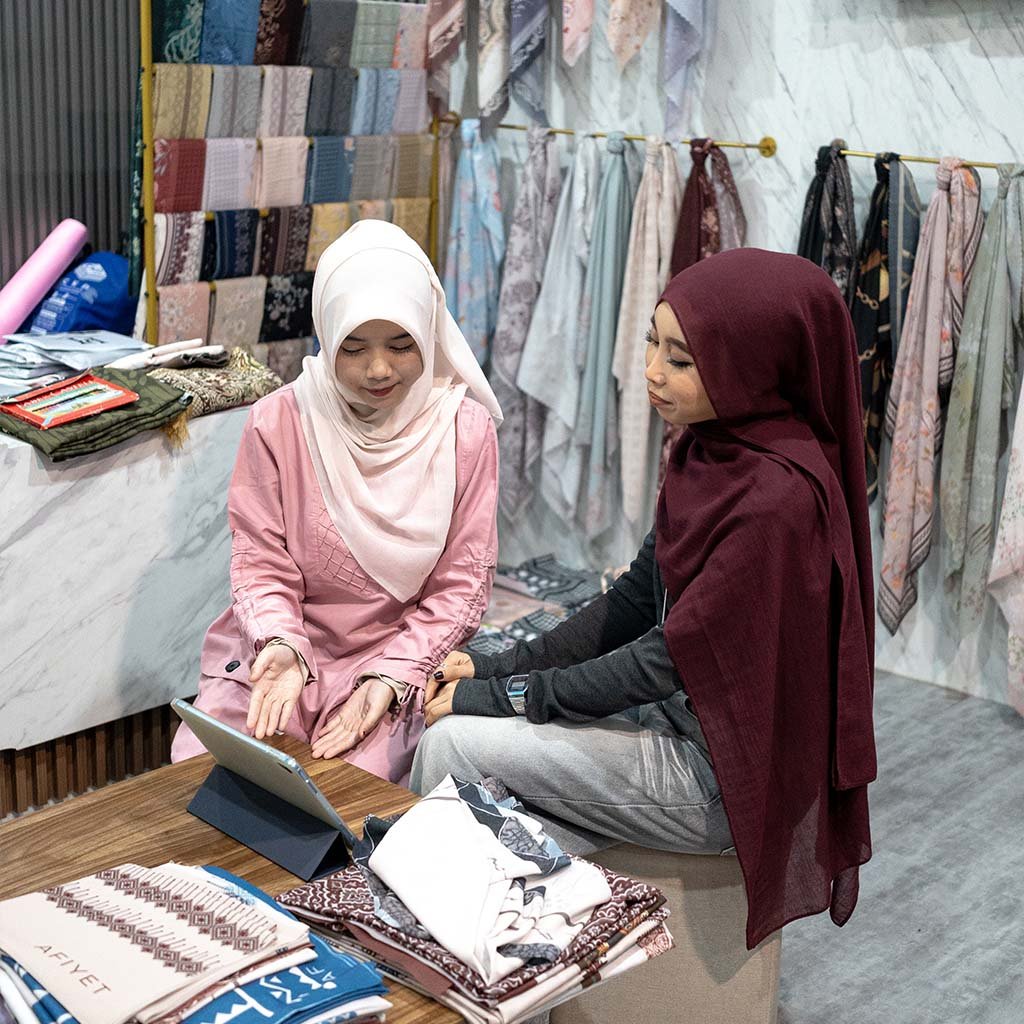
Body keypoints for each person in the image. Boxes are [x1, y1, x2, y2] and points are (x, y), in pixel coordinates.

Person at [412, 248, 877, 950]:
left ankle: (438, 955)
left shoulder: (774, 501)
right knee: (482, 799)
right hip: (678, 721)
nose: (652, 372)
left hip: (721, 775)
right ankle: (494, 956)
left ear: (752, 363)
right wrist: (496, 665)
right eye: (652, 344)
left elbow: (664, 659)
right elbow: (634, 599)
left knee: (451, 747)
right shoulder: (711, 452)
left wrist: (505, 695)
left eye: (681, 360)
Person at [170, 221, 502, 785]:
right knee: (207, 777)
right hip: (284, 646)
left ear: (428, 332)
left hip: (392, 659)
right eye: (353, 347)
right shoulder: (279, 420)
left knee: (351, 799)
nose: (379, 369)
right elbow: (260, 561)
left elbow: (461, 586)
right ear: (326, 335)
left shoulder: (465, 432)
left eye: (402, 345)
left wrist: (392, 677)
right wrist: (279, 642)